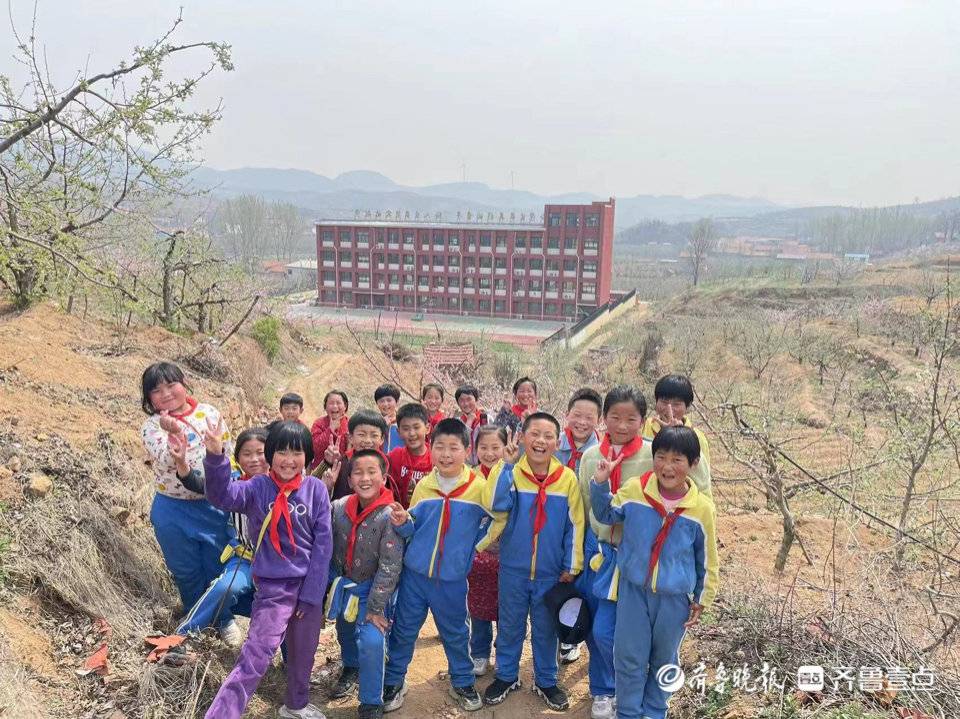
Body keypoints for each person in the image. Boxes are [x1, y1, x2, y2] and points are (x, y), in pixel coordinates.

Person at [204, 421, 333, 719]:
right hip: (273, 590)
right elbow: (221, 496)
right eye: (282, 452)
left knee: (303, 653)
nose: (289, 460)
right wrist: (215, 457)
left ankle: (296, 705)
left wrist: (312, 595)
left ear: (307, 456)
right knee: (255, 655)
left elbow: (323, 545)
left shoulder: (315, 490)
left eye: (297, 452)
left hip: (307, 587)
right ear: (270, 454)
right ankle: (221, 714)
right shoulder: (257, 487)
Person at [590, 426, 719, 719]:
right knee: (629, 656)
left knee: (665, 658)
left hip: (674, 599)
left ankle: (655, 711)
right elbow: (606, 514)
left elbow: (707, 559)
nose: (667, 467)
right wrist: (600, 483)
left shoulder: (701, 509)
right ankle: (628, 712)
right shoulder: (635, 490)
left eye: (677, 460)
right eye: (661, 457)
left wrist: (702, 598)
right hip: (633, 591)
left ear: (693, 463)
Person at [381, 419, 505, 713]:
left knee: (456, 632)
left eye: (454, 448)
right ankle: (394, 680)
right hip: (415, 576)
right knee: (404, 630)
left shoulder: (479, 488)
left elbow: (498, 519)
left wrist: (473, 548)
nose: (446, 454)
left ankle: (462, 681)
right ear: (431, 448)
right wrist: (403, 522)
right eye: (439, 447)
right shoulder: (425, 485)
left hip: (451, 579)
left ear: (467, 451)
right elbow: (414, 526)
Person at [484, 412, 585, 712]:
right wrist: (506, 466)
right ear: (522, 438)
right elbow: (495, 505)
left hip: (550, 573)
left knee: (546, 628)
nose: (541, 441)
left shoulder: (567, 479)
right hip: (513, 569)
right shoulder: (511, 472)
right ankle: (506, 675)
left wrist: (572, 565)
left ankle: (546, 680)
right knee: (510, 625)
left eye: (548, 436)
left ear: (557, 441)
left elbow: (575, 525)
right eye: (534, 434)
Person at [139, 362, 237, 640]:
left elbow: (227, 452)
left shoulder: (209, 413)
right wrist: (173, 433)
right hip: (173, 508)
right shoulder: (151, 427)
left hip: (213, 506)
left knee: (217, 565)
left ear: (184, 384)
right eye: (157, 391)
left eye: (171, 385)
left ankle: (224, 619)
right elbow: (165, 458)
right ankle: (195, 619)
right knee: (185, 569)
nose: (166, 394)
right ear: (149, 399)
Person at [576, 385, 649, 719]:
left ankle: (629, 689)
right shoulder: (591, 456)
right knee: (601, 631)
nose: (622, 425)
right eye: (615, 417)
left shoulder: (653, 454)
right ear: (604, 418)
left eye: (631, 419)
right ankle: (603, 688)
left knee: (632, 632)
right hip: (602, 555)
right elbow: (584, 508)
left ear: (643, 421)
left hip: (640, 557)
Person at [328, 449, 404, 719]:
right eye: (358, 473)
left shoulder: (390, 515)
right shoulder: (338, 507)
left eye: (372, 472)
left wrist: (375, 607)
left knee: (372, 640)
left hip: (374, 593)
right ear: (349, 480)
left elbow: (390, 566)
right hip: (345, 588)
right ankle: (351, 666)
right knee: (345, 631)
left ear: (384, 477)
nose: (365, 478)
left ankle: (371, 701)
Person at [174, 427, 268, 645]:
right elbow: (202, 485)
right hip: (245, 559)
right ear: (238, 459)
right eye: (247, 454)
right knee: (225, 588)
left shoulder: (281, 485)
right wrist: (182, 463)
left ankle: (289, 657)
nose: (254, 459)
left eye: (260, 452)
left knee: (280, 608)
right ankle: (183, 635)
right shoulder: (233, 486)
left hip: (278, 563)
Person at [554, 387, 602, 665]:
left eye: (589, 417)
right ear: (567, 414)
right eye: (577, 415)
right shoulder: (552, 444)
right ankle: (560, 634)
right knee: (559, 581)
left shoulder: (601, 454)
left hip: (589, 531)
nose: (582, 422)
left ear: (599, 420)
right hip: (556, 527)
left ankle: (575, 637)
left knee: (583, 585)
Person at [467, 425, 508, 677]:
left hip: (507, 556)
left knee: (507, 609)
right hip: (478, 557)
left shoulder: (513, 475)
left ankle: (504, 653)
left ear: (506, 448)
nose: (490, 453)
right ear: (475, 449)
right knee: (478, 607)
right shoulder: (470, 478)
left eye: (495, 447)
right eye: (483, 447)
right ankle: (479, 653)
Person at [641, 374, 712, 495]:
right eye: (664, 402)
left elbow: (702, 479)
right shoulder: (643, 426)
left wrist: (678, 435)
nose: (669, 408)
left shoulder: (697, 437)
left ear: (687, 406)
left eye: (676, 404)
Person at [314, 409, 397, 502]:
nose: (367, 440)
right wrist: (327, 463)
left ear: (382, 439)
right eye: (361, 435)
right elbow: (312, 486)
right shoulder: (343, 462)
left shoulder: (388, 463)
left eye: (374, 435)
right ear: (350, 437)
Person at [388, 403, 433, 507]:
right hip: (399, 513)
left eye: (416, 427)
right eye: (406, 429)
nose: (412, 433)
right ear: (398, 432)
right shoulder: (394, 457)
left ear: (427, 428)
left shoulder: (436, 458)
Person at [310, 390, 350, 471]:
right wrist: (330, 429)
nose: (335, 406)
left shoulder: (350, 424)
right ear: (325, 407)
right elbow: (314, 447)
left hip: (343, 471)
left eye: (338, 403)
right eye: (331, 403)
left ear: (345, 406)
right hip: (320, 470)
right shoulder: (318, 423)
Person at [454, 385, 492, 466]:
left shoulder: (487, 419)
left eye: (469, 399)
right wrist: (469, 422)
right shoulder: (457, 422)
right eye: (461, 400)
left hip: (485, 465)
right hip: (465, 466)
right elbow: (459, 442)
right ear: (458, 403)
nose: (466, 403)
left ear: (476, 400)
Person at [374, 384, 404, 452]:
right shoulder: (373, 423)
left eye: (389, 400)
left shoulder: (404, 422)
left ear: (397, 401)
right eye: (381, 401)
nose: (385, 404)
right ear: (377, 403)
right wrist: (381, 426)